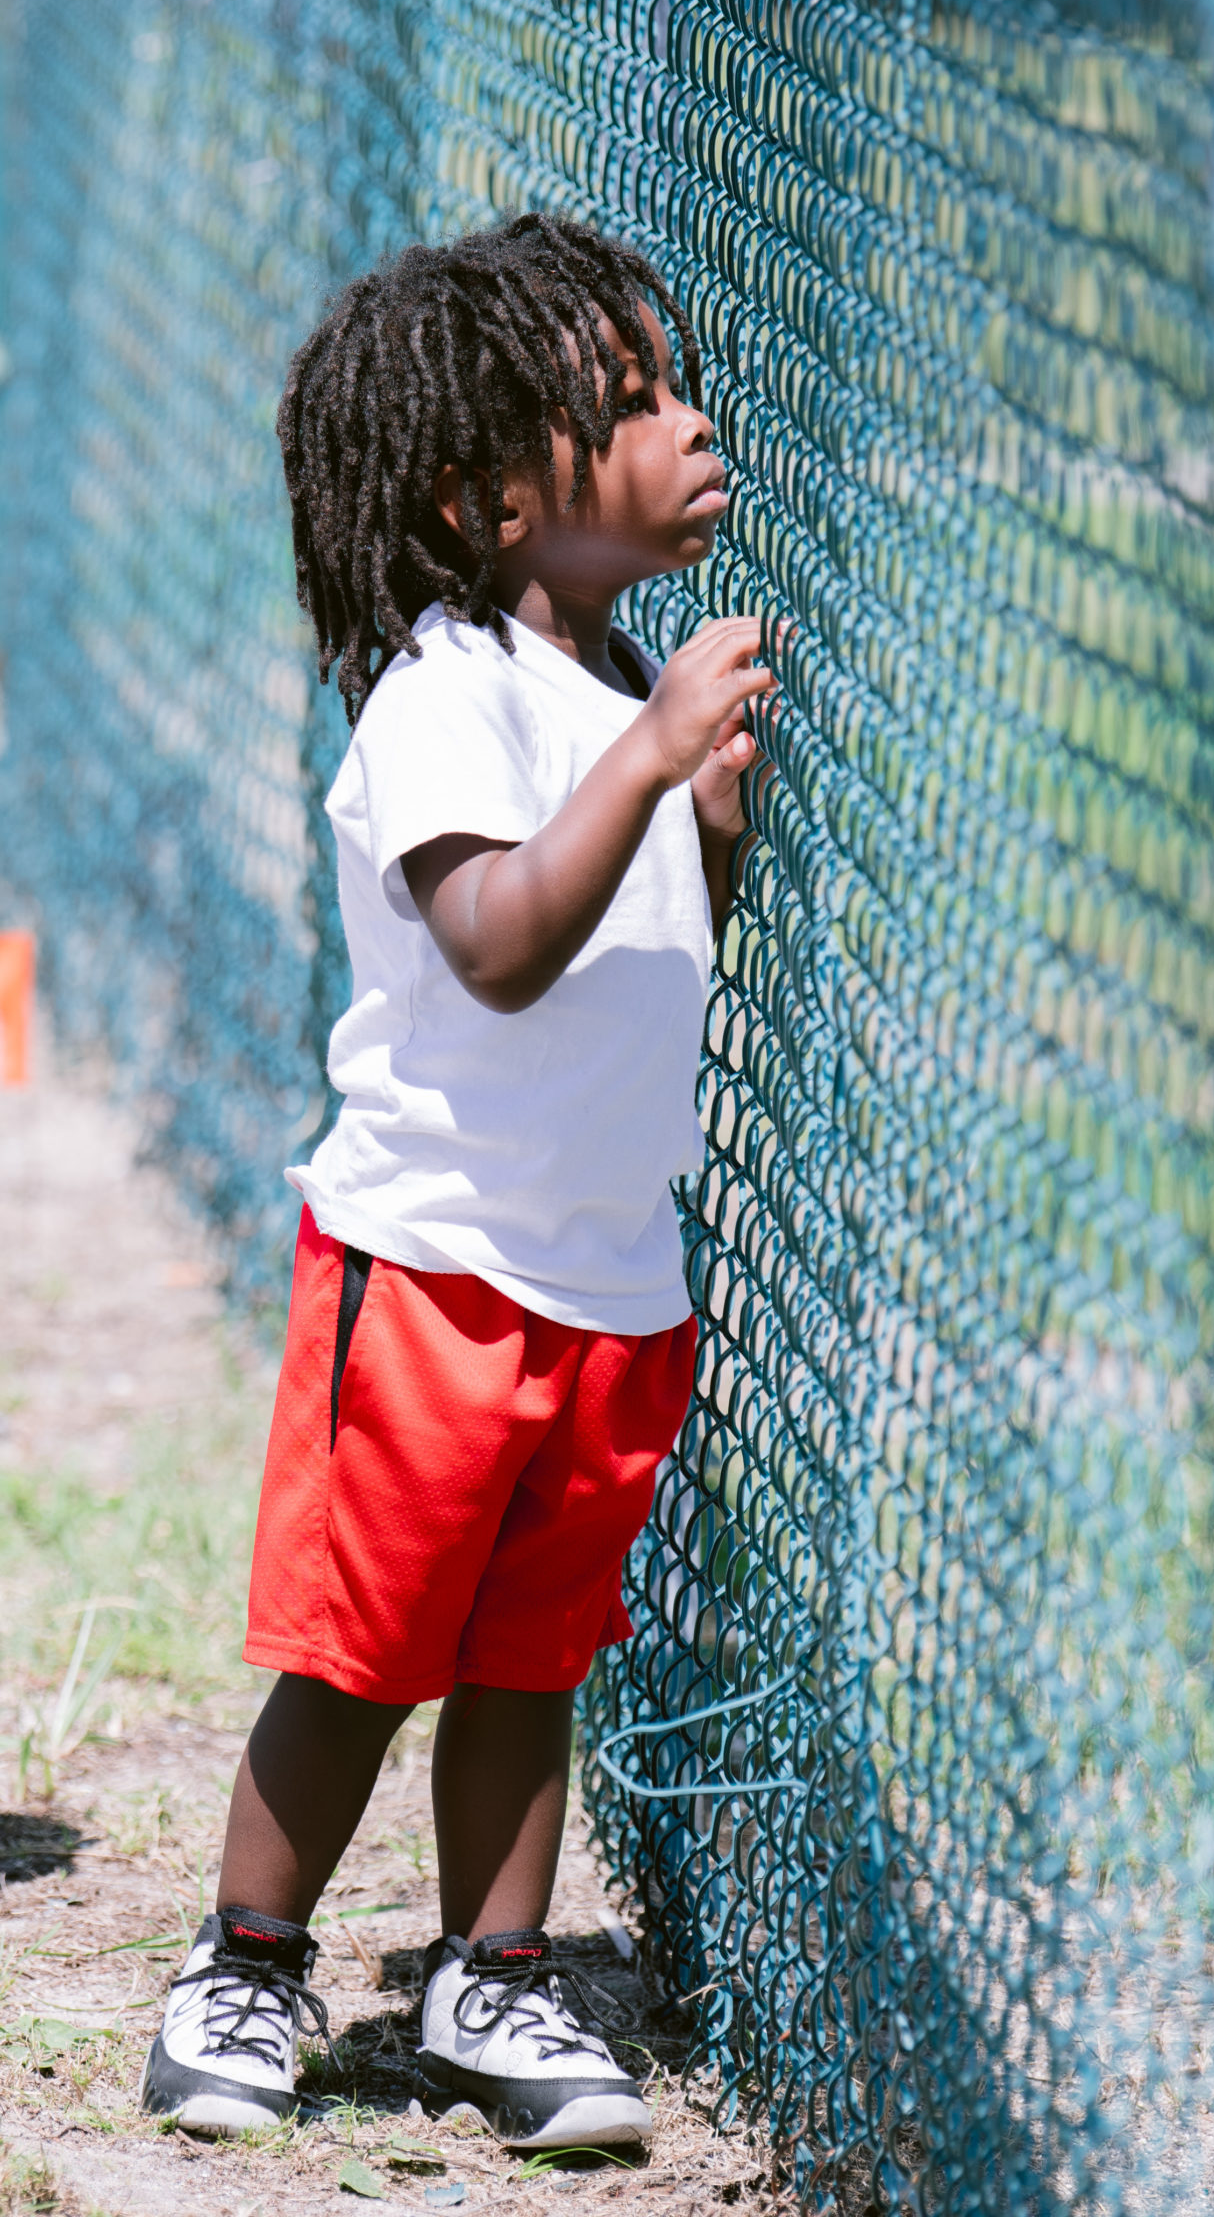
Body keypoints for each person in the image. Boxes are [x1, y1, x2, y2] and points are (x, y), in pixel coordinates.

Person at [139, 215, 772, 2149]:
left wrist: (703, 814)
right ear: (497, 502)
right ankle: (246, 1967)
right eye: (633, 403)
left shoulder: (623, 693)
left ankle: (496, 1984)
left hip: (607, 1283)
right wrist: (657, 758)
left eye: (676, 384)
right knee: (364, 1657)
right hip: (432, 1276)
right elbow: (498, 939)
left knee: (528, 1658)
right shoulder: (449, 693)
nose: (692, 424)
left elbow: (648, 953)